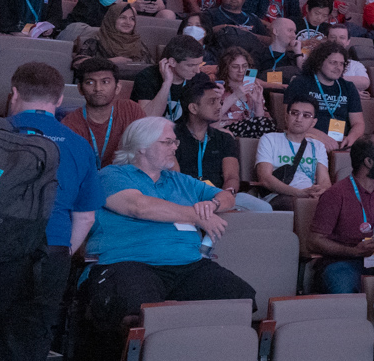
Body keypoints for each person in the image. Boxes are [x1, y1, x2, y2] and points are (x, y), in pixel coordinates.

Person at [0, 64, 106, 361]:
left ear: (13, 94)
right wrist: (58, 256)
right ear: (59, 100)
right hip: (47, 261)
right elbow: (85, 217)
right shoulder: (77, 144)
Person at [86, 117, 257, 336]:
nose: (175, 147)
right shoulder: (111, 174)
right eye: (167, 142)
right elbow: (139, 207)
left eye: (175, 142)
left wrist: (212, 204)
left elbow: (228, 197)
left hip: (188, 264)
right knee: (140, 310)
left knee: (239, 297)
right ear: (142, 146)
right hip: (128, 261)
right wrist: (197, 216)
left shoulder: (180, 180)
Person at [309, 136, 374, 294]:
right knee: (342, 284)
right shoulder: (335, 194)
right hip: (343, 262)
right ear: (368, 162)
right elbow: (314, 241)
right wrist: (353, 251)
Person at [175, 75, 268, 213]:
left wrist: (226, 194)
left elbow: (231, 176)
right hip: (183, 195)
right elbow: (174, 177)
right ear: (193, 108)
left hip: (218, 195)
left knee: (263, 208)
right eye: (212, 102)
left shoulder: (224, 138)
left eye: (220, 101)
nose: (219, 106)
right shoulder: (172, 136)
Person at [64, 57, 147, 166]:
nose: (98, 88)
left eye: (105, 82)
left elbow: (148, 150)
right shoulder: (70, 125)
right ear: (80, 89)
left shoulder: (131, 110)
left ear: (117, 87)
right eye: (90, 82)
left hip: (126, 174)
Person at [285, 41, 364, 151]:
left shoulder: (348, 87)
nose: (338, 67)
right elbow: (289, 120)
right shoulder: (300, 83)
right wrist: (321, 137)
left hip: (342, 142)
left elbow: (358, 123)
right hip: (309, 138)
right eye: (333, 62)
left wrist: (351, 138)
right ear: (319, 63)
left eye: (341, 64)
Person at [255, 99, 331, 210]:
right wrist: (299, 193)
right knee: (297, 205)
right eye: (295, 113)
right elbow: (265, 178)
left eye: (306, 115)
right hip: (279, 195)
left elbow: (324, 181)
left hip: (310, 196)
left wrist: (319, 192)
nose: (299, 119)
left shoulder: (317, 146)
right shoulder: (269, 139)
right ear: (287, 117)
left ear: (313, 123)